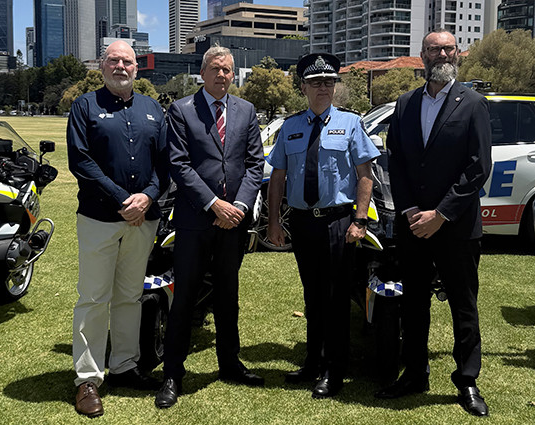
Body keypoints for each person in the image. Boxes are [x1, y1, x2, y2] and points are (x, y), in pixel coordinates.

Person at [374, 29, 492, 417]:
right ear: (421, 55)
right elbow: (399, 161)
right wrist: (410, 211)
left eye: (447, 48)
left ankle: (468, 380)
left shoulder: (473, 103)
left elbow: (478, 168)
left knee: (463, 304)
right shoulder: (406, 103)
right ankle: (414, 373)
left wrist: (440, 214)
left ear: (457, 53)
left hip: (454, 226)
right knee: (414, 304)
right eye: (433, 49)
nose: (441, 53)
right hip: (414, 225)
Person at [155, 45, 265, 409]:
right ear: (202, 73)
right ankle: (173, 373)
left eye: (228, 70)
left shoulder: (247, 111)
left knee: (227, 298)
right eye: (216, 69)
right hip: (193, 222)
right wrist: (213, 204)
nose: (222, 75)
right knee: (184, 298)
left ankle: (230, 364)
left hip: (232, 223)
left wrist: (238, 206)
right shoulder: (182, 110)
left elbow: (254, 164)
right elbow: (179, 164)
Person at [266, 53, 379, 399]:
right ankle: (312, 362)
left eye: (329, 82)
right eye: (316, 83)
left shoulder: (350, 123)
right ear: (303, 87)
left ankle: (335, 369)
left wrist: (360, 220)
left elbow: (365, 176)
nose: (323, 88)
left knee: (335, 298)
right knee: (313, 296)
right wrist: (273, 221)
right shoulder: (291, 126)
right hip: (303, 224)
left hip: (338, 222)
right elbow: (278, 178)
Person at [67, 40, 169, 418]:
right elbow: (81, 160)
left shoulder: (152, 108)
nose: (121, 66)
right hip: (99, 218)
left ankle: (125, 366)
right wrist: (123, 199)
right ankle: (88, 379)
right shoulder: (85, 106)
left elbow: (166, 161)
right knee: (93, 298)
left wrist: (148, 196)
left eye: (127, 61)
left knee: (129, 296)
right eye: (114, 60)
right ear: (102, 66)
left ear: (137, 69)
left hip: (144, 218)